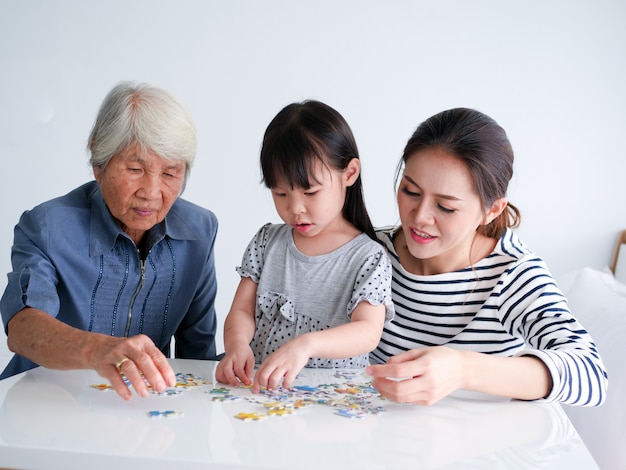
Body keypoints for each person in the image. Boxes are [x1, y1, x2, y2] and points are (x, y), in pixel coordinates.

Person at [367, 107, 608, 407]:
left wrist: (462, 370)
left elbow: (590, 374)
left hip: (479, 448)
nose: (420, 216)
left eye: (445, 207)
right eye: (410, 191)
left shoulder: (513, 273)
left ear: (491, 210)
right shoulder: (369, 252)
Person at [0, 81, 220, 400]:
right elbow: (22, 329)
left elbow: (197, 358)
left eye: (170, 174)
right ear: (98, 164)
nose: (152, 192)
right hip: (39, 405)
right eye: (135, 168)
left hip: (139, 411)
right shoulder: (47, 226)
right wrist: (97, 349)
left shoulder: (199, 231)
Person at [216, 100, 394, 392]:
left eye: (310, 191)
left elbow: (367, 331)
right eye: (281, 193)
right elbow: (242, 311)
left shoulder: (367, 257)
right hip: (266, 397)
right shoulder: (267, 242)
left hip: (335, 402)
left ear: (349, 174)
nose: (295, 208)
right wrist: (236, 346)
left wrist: (307, 345)